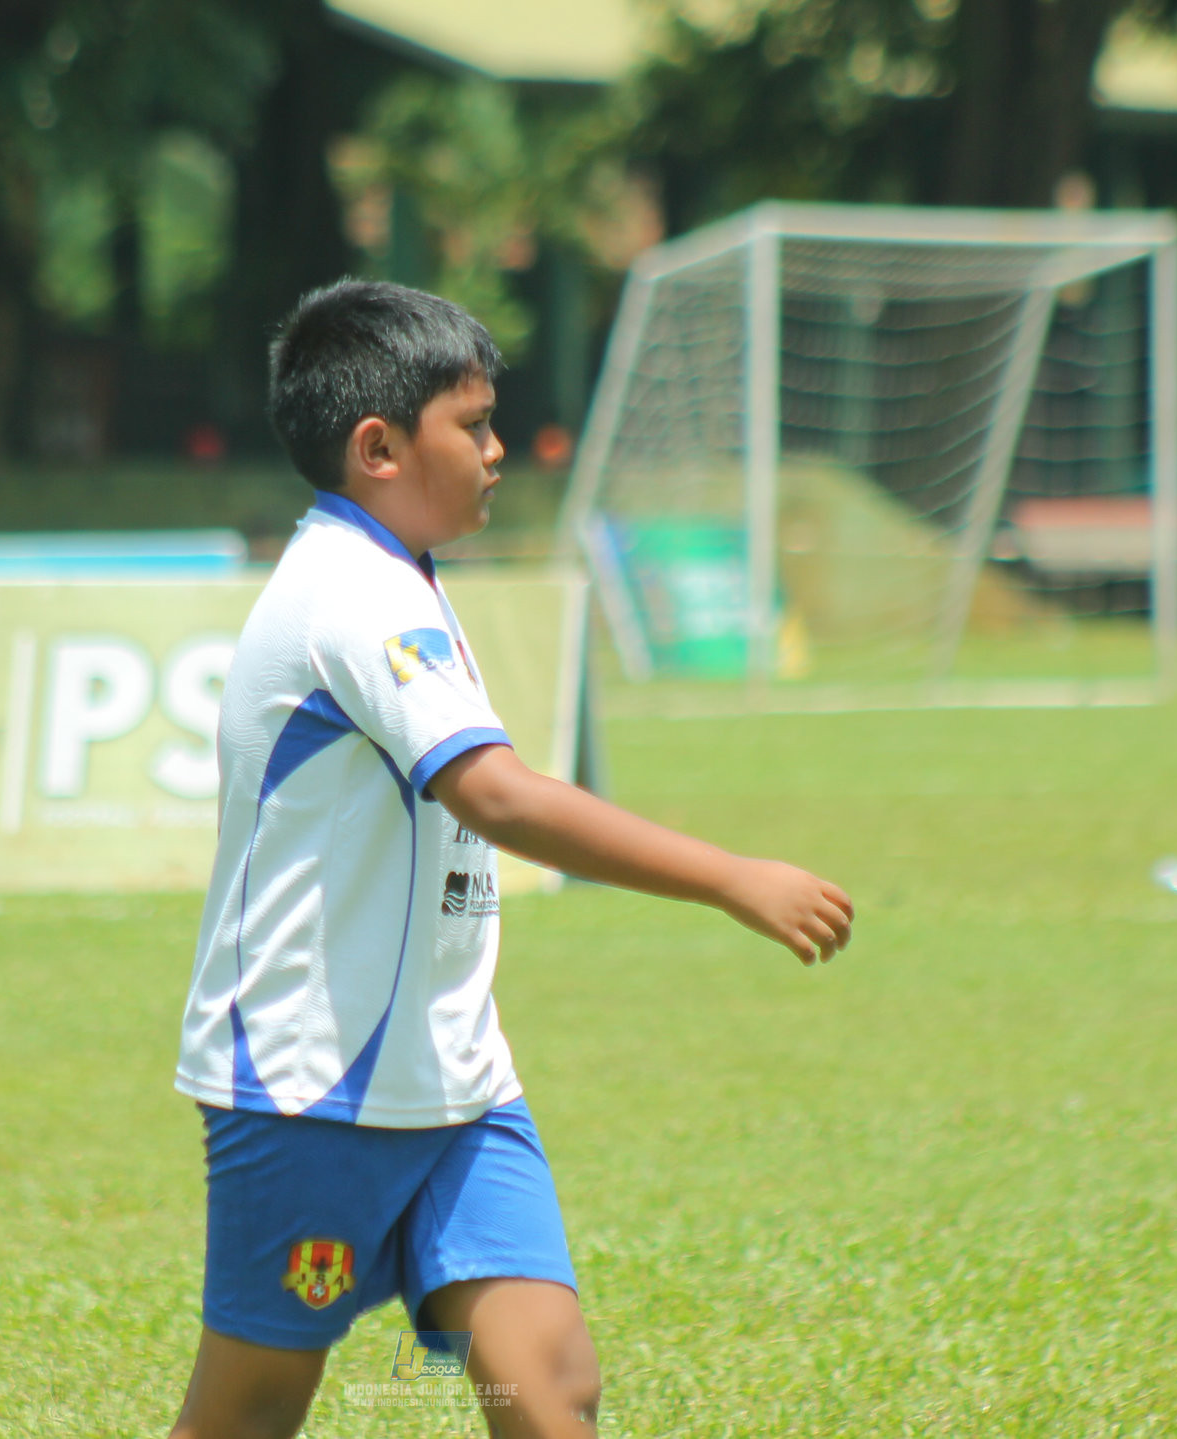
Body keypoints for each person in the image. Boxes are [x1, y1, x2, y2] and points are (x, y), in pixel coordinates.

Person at [168, 281, 854, 1439]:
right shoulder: (351, 595)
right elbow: (495, 795)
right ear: (377, 446)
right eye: (472, 424)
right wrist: (730, 875)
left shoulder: (400, 575)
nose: (497, 450)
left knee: (548, 1385)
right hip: (310, 1088)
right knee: (248, 1412)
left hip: (458, 1079)